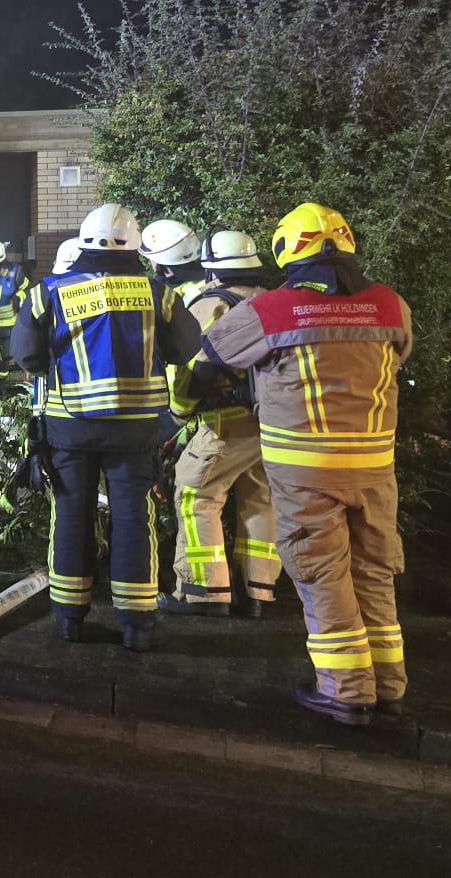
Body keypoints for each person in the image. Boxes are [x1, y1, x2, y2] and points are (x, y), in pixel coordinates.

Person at [201, 204, 411, 727]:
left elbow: (212, 354)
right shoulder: (389, 304)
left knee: (322, 573)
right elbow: (401, 354)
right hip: (376, 464)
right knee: (374, 570)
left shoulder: (273, 309)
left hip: (305, 466)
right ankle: (389, 685)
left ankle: (345, 691)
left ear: (286, 251)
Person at [12, 204, 199, 652]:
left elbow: (27, 356)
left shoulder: (49, 292)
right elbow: (187, 346)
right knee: (134, 516)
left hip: (69, 427)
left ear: (83, 241)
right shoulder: (159, 293)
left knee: (71, 514)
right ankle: (137, 623)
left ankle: (69, 618)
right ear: (135, 245)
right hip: (136, 430)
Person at [161, 231, 281, 617]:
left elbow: (192, 365)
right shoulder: (271, 303)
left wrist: (177, 414)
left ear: (212, 269)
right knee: (260, 500)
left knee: (197, 495)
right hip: (273, 423)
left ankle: (203, 591)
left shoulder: (211, 304)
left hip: (225, 423)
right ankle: (259, 591)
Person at [140, 219, 206, 305]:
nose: (150, 262)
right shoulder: (211, 272)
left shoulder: (187, 296)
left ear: (167, 268)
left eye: (151, 259)